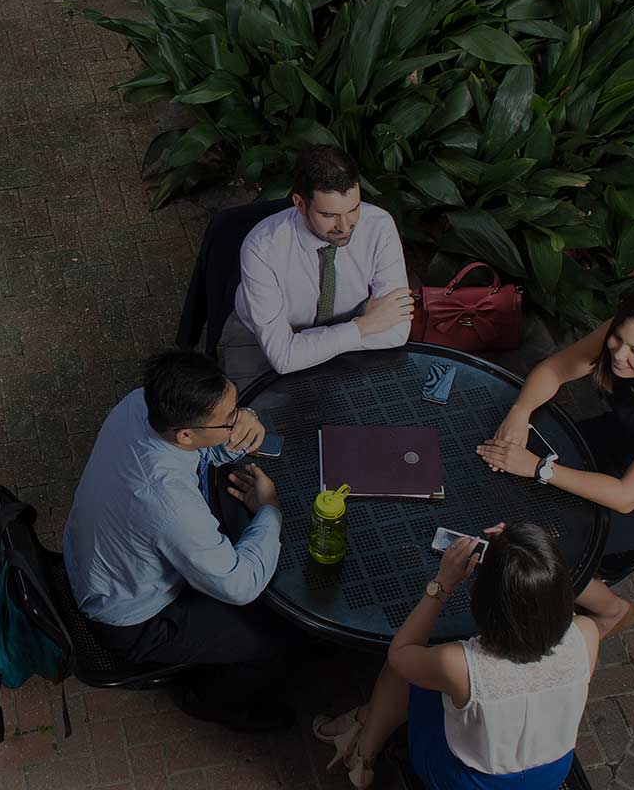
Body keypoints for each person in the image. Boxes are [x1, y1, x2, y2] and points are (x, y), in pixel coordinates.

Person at [62, 349, 292, 732]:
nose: (239, 421)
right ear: (185, 434)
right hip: (132, 617)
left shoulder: (140, 403)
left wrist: (241, 430)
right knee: (269, 638)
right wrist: (270, 510)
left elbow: (197, 452)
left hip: (94, 562)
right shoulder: (170, 506)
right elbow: (240, 585)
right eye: (230, 420)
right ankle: (207, 700)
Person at [478, 286, 634, 637]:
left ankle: (612, 610)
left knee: (538, 546)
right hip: (618, 442)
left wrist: (538, 468)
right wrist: (519, 412)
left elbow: (626, 496)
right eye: (618, 339)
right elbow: (555, 369)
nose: (619, 355)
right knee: (502, 480)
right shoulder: (623, 333)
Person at [313, 523, 599, 790]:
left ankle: (365, 748)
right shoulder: (587, 633)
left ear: (487, 602)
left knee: (412, 668)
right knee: (435, 674)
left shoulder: (458, 664)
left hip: (471, 782)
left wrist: (442, 584)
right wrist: (519, 554)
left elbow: (400, 653)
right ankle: (362, 734)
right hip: (549, 775)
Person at [220, 145, 415, 390]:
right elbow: (282, 358)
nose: (345, 227)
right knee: (256, 423)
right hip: (257, 343)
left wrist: (305, 347)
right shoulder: (261, 248)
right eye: (329, 215)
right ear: (300, 204)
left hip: (340, 326)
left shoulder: (380, 227)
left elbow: (397, 332)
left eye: (353, 209)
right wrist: (364, 325)